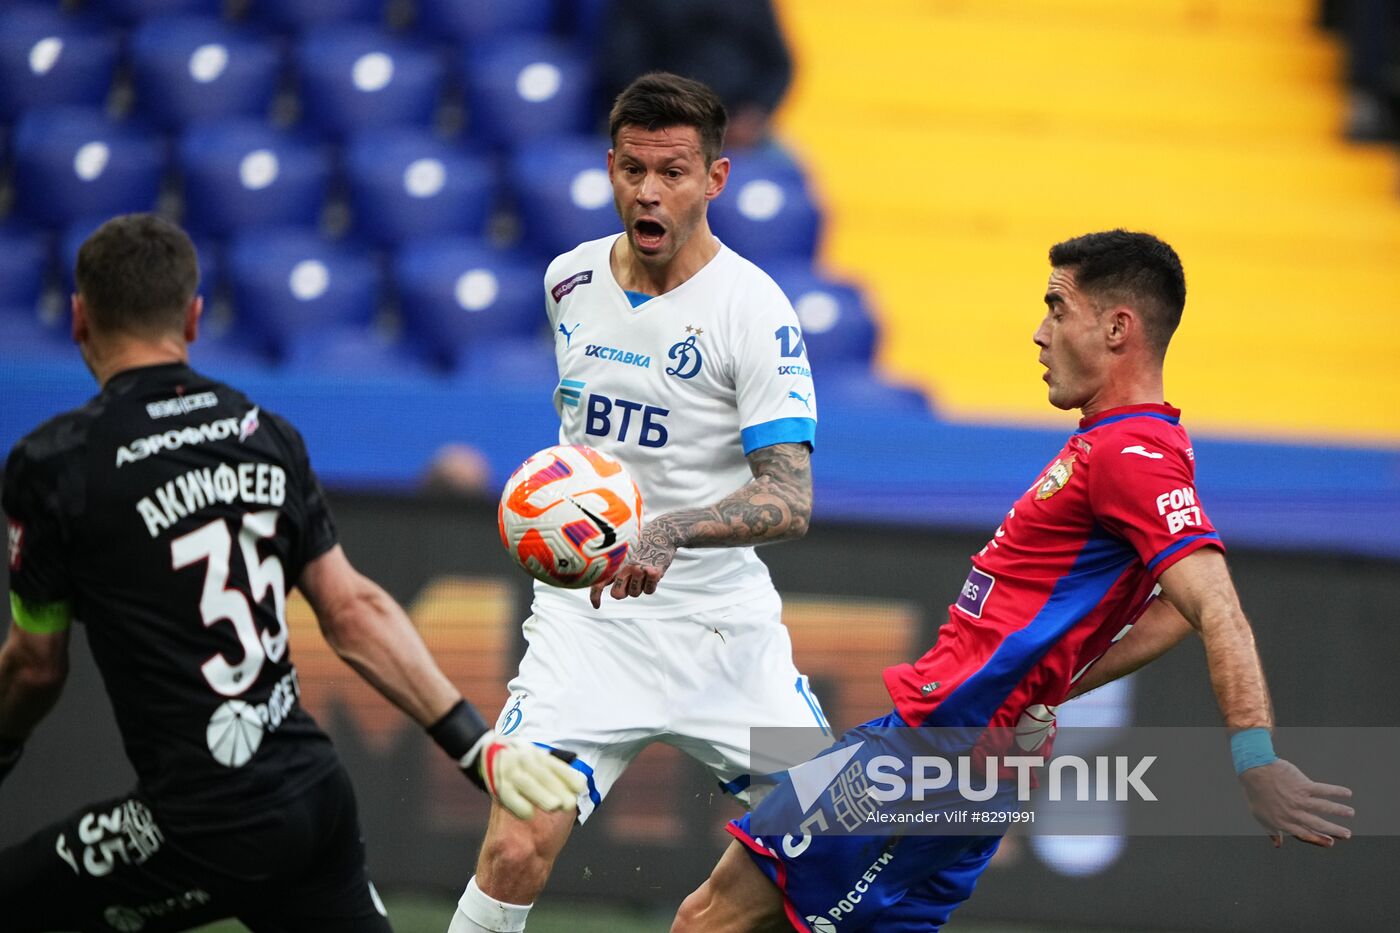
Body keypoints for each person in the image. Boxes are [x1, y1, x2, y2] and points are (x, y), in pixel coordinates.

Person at [671, 230, 1356, 932]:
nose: (1040, 332)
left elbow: (1213, 607)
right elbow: (1176, 610)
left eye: (1058, 308)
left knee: (709, 917)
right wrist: (1046, 685)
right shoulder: (1141, 446)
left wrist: (1254, 755)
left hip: (931, 754)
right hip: (973, 767)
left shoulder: (1130, 455)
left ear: (1117, 328)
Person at [0, 213, 584, 933]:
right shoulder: (263, 431)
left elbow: (33, 665)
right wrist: (479, 745)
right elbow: (353, 609)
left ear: (79, 318)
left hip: (199, 821)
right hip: (311, 798)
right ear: (193, 317)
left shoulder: (55, 464)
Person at [448, 72, 828, 933]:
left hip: (723, 633)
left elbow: (790, 496)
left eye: (673, 172)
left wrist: (670, 530)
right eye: (632, 169)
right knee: (515, 845)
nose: (648, 191)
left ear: (716, 179)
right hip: (588, 629)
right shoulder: (569, 281)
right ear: (610, 169)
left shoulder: (755, 310)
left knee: (834, 835)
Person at [595, 0, 793, 150]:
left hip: (737, 127)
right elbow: (624, 65)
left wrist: (753, 116)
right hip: (658, 122)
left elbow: (778, 65)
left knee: (785, 173)